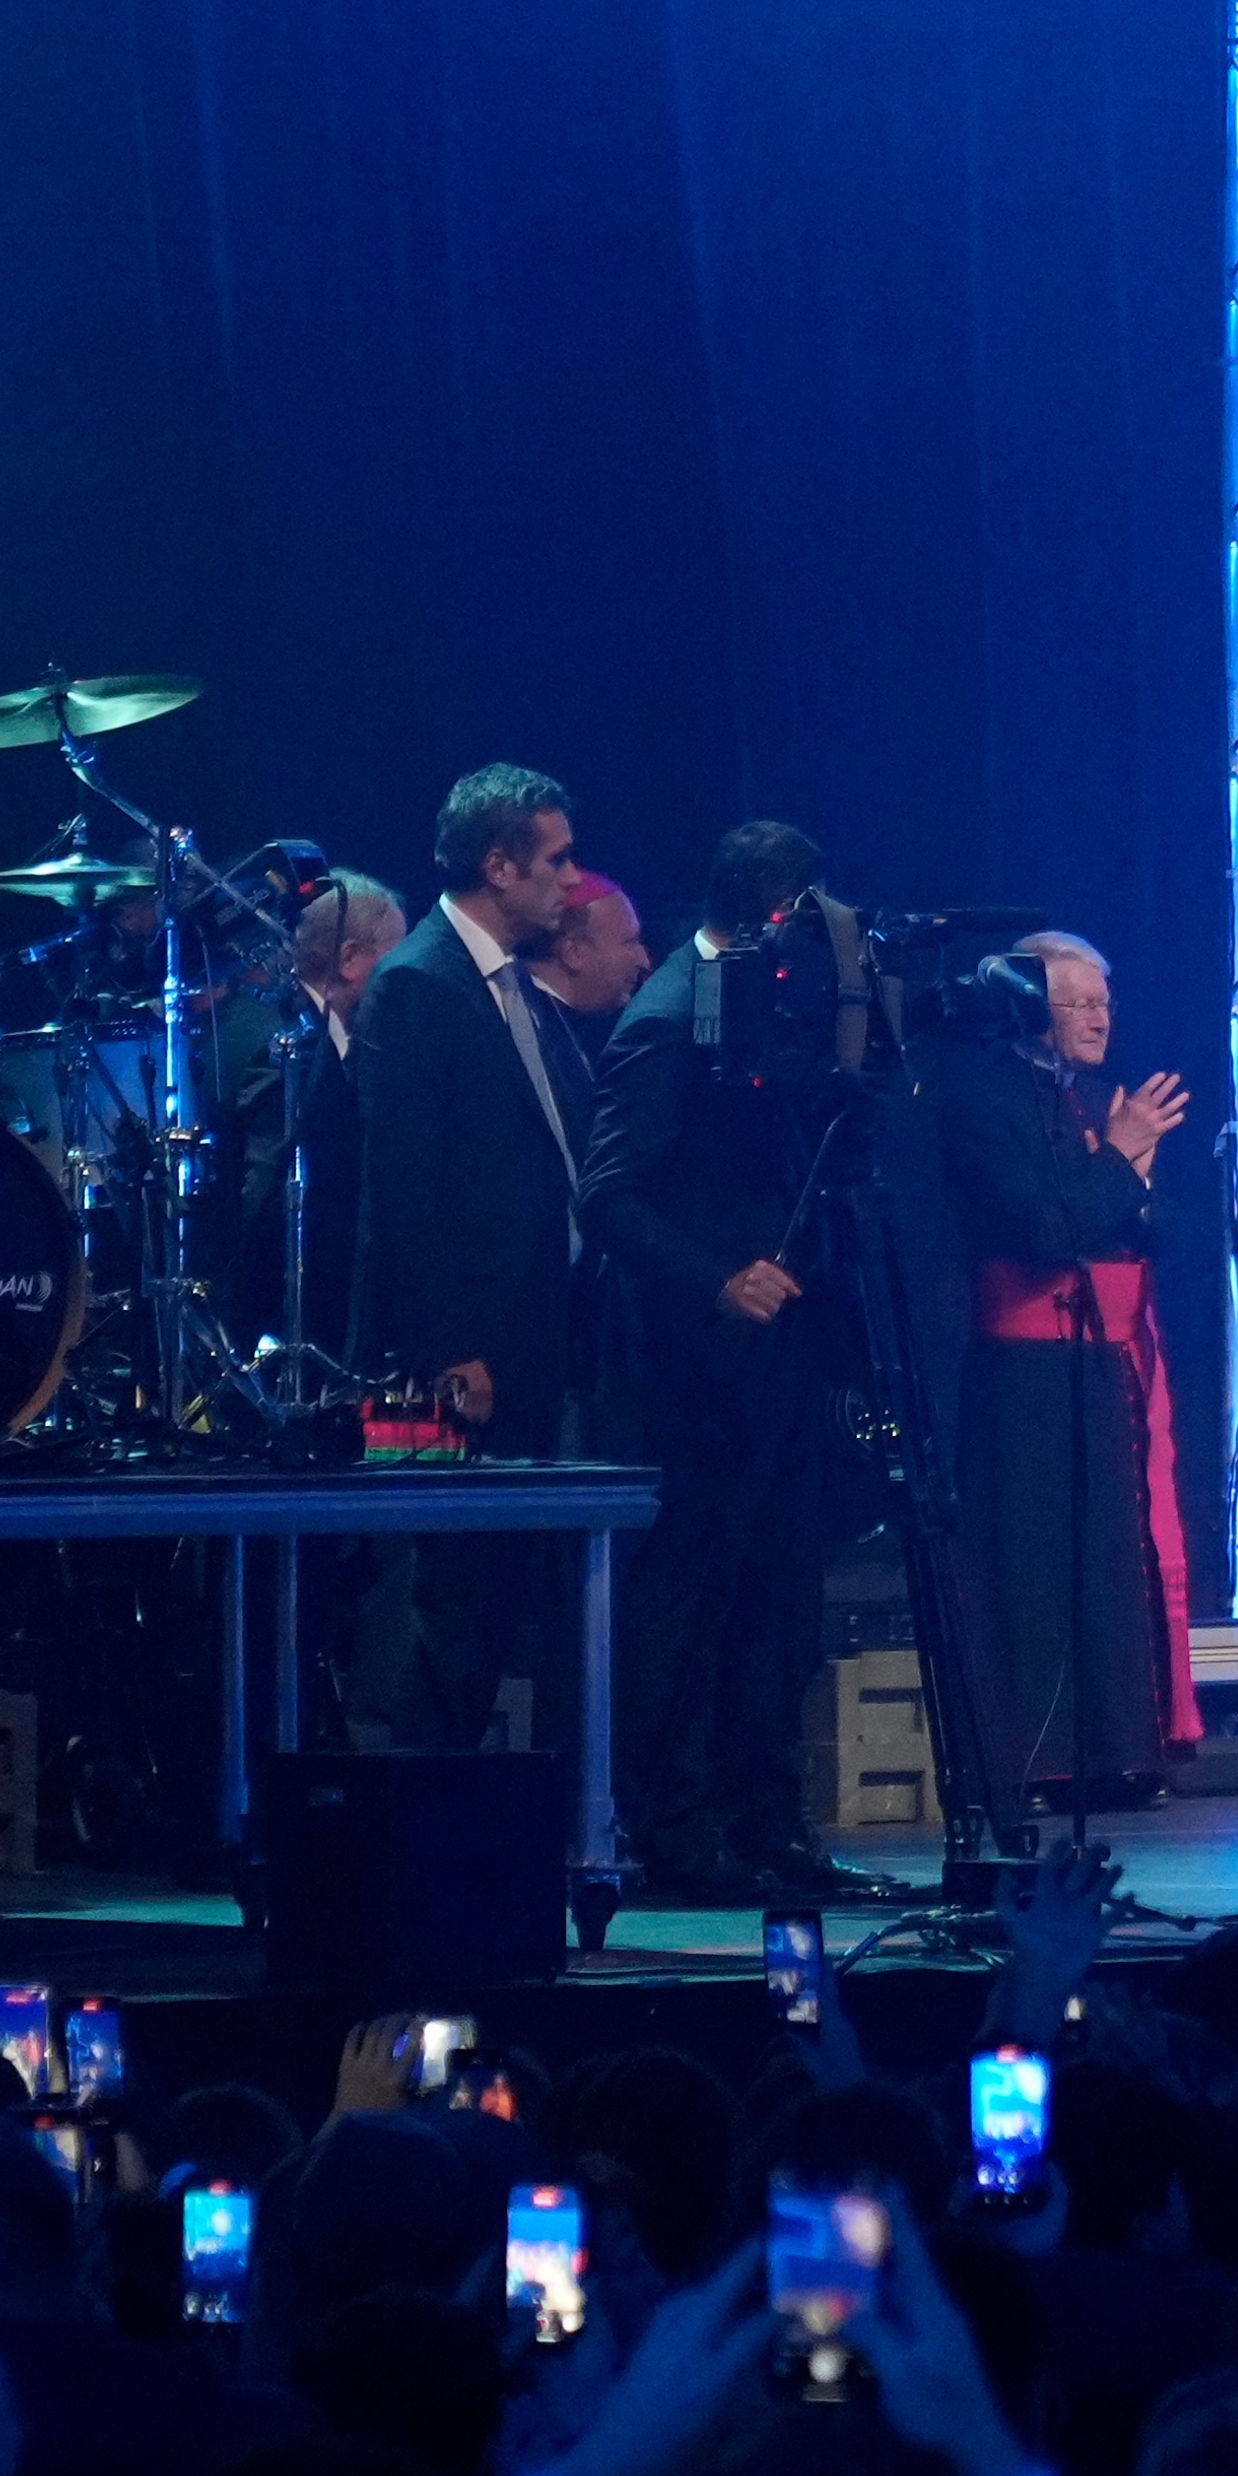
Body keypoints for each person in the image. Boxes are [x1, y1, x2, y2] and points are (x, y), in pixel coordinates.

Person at [581, 817, 850, 1904]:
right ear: (769, 918)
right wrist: (716, 1277)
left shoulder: (773, 1014)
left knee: (780, 1594)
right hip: (694, 1367)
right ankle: (678, 1829)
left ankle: (767, 1818)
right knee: (692, 1601)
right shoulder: (662, 1021)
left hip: (778, 1355)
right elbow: (608, 1195)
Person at [931, 926, 1201, 1812]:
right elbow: (1048, 1229)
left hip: (1103, 1356)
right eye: (1076, 1002)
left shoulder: (1092, 1099)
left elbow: (1148, 1229)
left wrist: (1131, 1171)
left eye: (1104, 1002)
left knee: (1110, 1559)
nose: (1097, 1018)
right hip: (1024, 1367)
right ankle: (1037, 1761)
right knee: (1036, 1563)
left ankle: (1120, 1749)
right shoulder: (984, 1094)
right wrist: (1121, 1159)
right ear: (1027, 1008)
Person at [348, 762, 589, 1755]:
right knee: (444, 1593)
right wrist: (455, 1346)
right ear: (499, 864)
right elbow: (406, 1196)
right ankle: (409, 1832)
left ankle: (466, 1830)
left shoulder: (510, 988)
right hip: (443, 1363)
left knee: (496, 1596)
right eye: (557, 858)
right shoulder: (418, 984)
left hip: (527, 1340)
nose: (572, 879)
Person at [230, 863, 400, 1358]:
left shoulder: (330, 1038)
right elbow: (262, 1206)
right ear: (350, 959)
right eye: (396, 957)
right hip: (286, 1331)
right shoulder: (284, 1045)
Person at [531, 870, 650, 1109]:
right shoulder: (532, 1038)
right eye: (630, 942)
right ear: (574, 953)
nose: (644, 961)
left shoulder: (588, 1026)